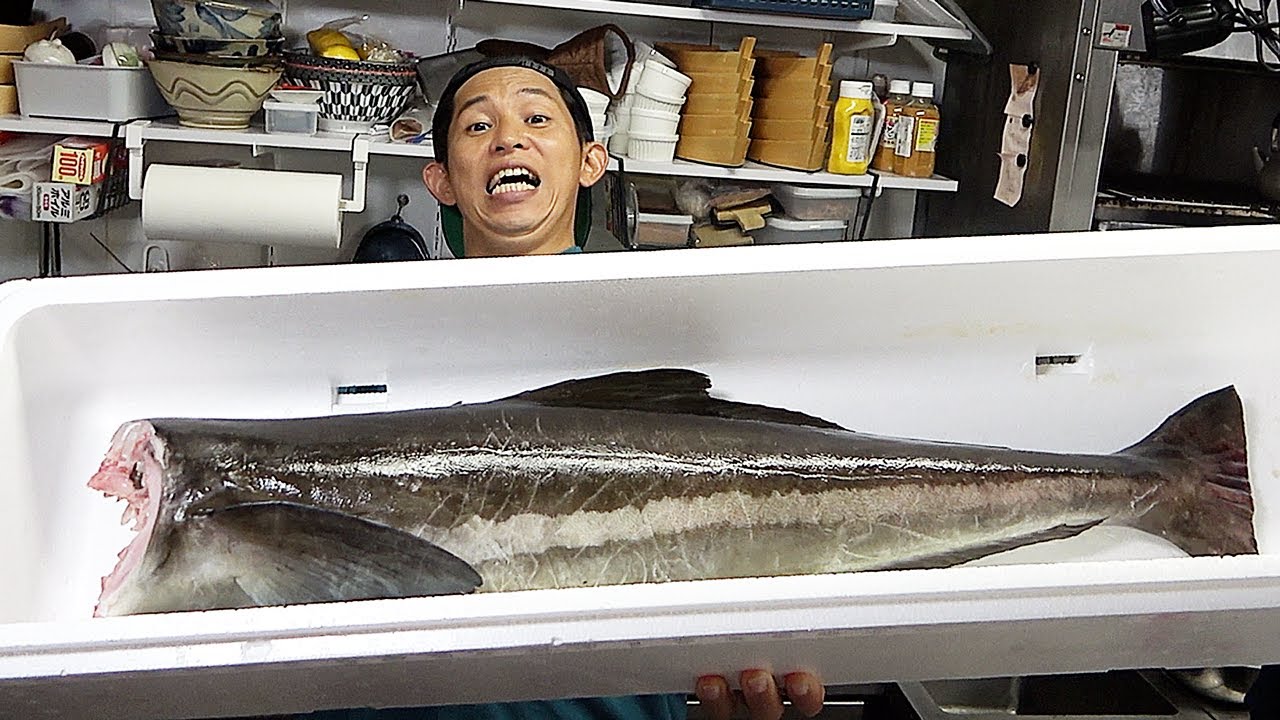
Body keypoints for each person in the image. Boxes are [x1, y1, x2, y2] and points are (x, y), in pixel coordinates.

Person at [417, 56, 826, 720]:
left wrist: (761, 641)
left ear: (591, 162)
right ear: (440, 179)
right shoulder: (364, 326)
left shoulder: (670, 328)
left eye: (537, 118)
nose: (509, 138)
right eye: (478, 126)